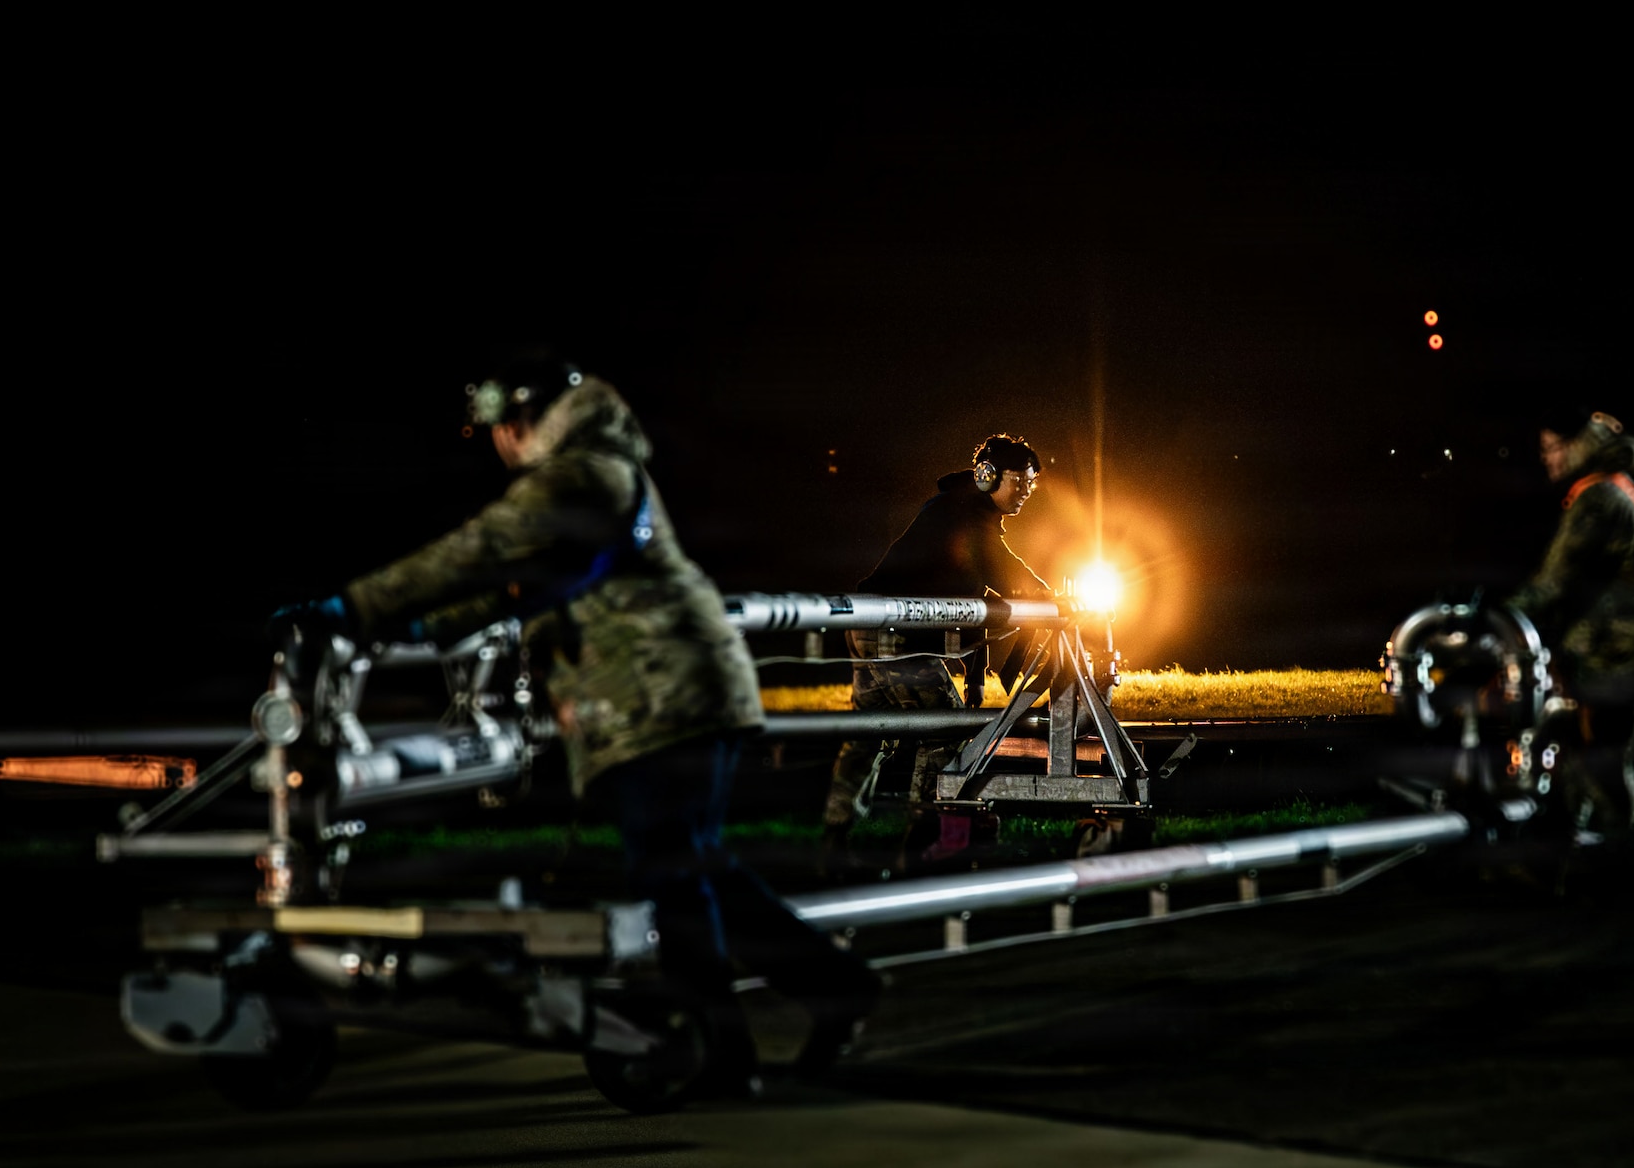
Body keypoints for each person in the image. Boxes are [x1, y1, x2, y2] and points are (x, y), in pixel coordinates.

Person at [273, 358, 877, 1092]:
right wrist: (420, 625)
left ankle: (723, 1046)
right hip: (672, 690)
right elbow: (519, 589)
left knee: (674, 870)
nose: (496, 445)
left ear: (518, 421)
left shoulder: (580, 475)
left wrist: (355, 607)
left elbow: (480, 549)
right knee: (695, 865)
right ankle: (823, 993)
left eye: (497, 429)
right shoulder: (602, 471)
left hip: (659, 695)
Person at [821, 433, 1052, 876]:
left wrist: (978, 671)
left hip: (875, 627)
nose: (1026, 491)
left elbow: (979, 586)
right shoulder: (965, 514)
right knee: (945, 728)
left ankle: (834, 845)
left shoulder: (960, 509)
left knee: (867, 734)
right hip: (896, 634)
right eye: (1019, 481)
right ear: (988, 477)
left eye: (1031, 483)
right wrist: (1047, 596)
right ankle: (921, 847)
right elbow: (1001, 570)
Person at [1506, 408, 1634, 899]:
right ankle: (1551, 865)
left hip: (1618, 661)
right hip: (1630, 655)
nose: (1546, 458)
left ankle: (1629, 876)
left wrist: (1493, 618)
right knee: (1569, 751)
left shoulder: (1597, 499)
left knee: (1600, 762)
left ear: (1580, 444)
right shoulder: (1616, 487)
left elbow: (1553, 585)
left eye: (1553, 448)